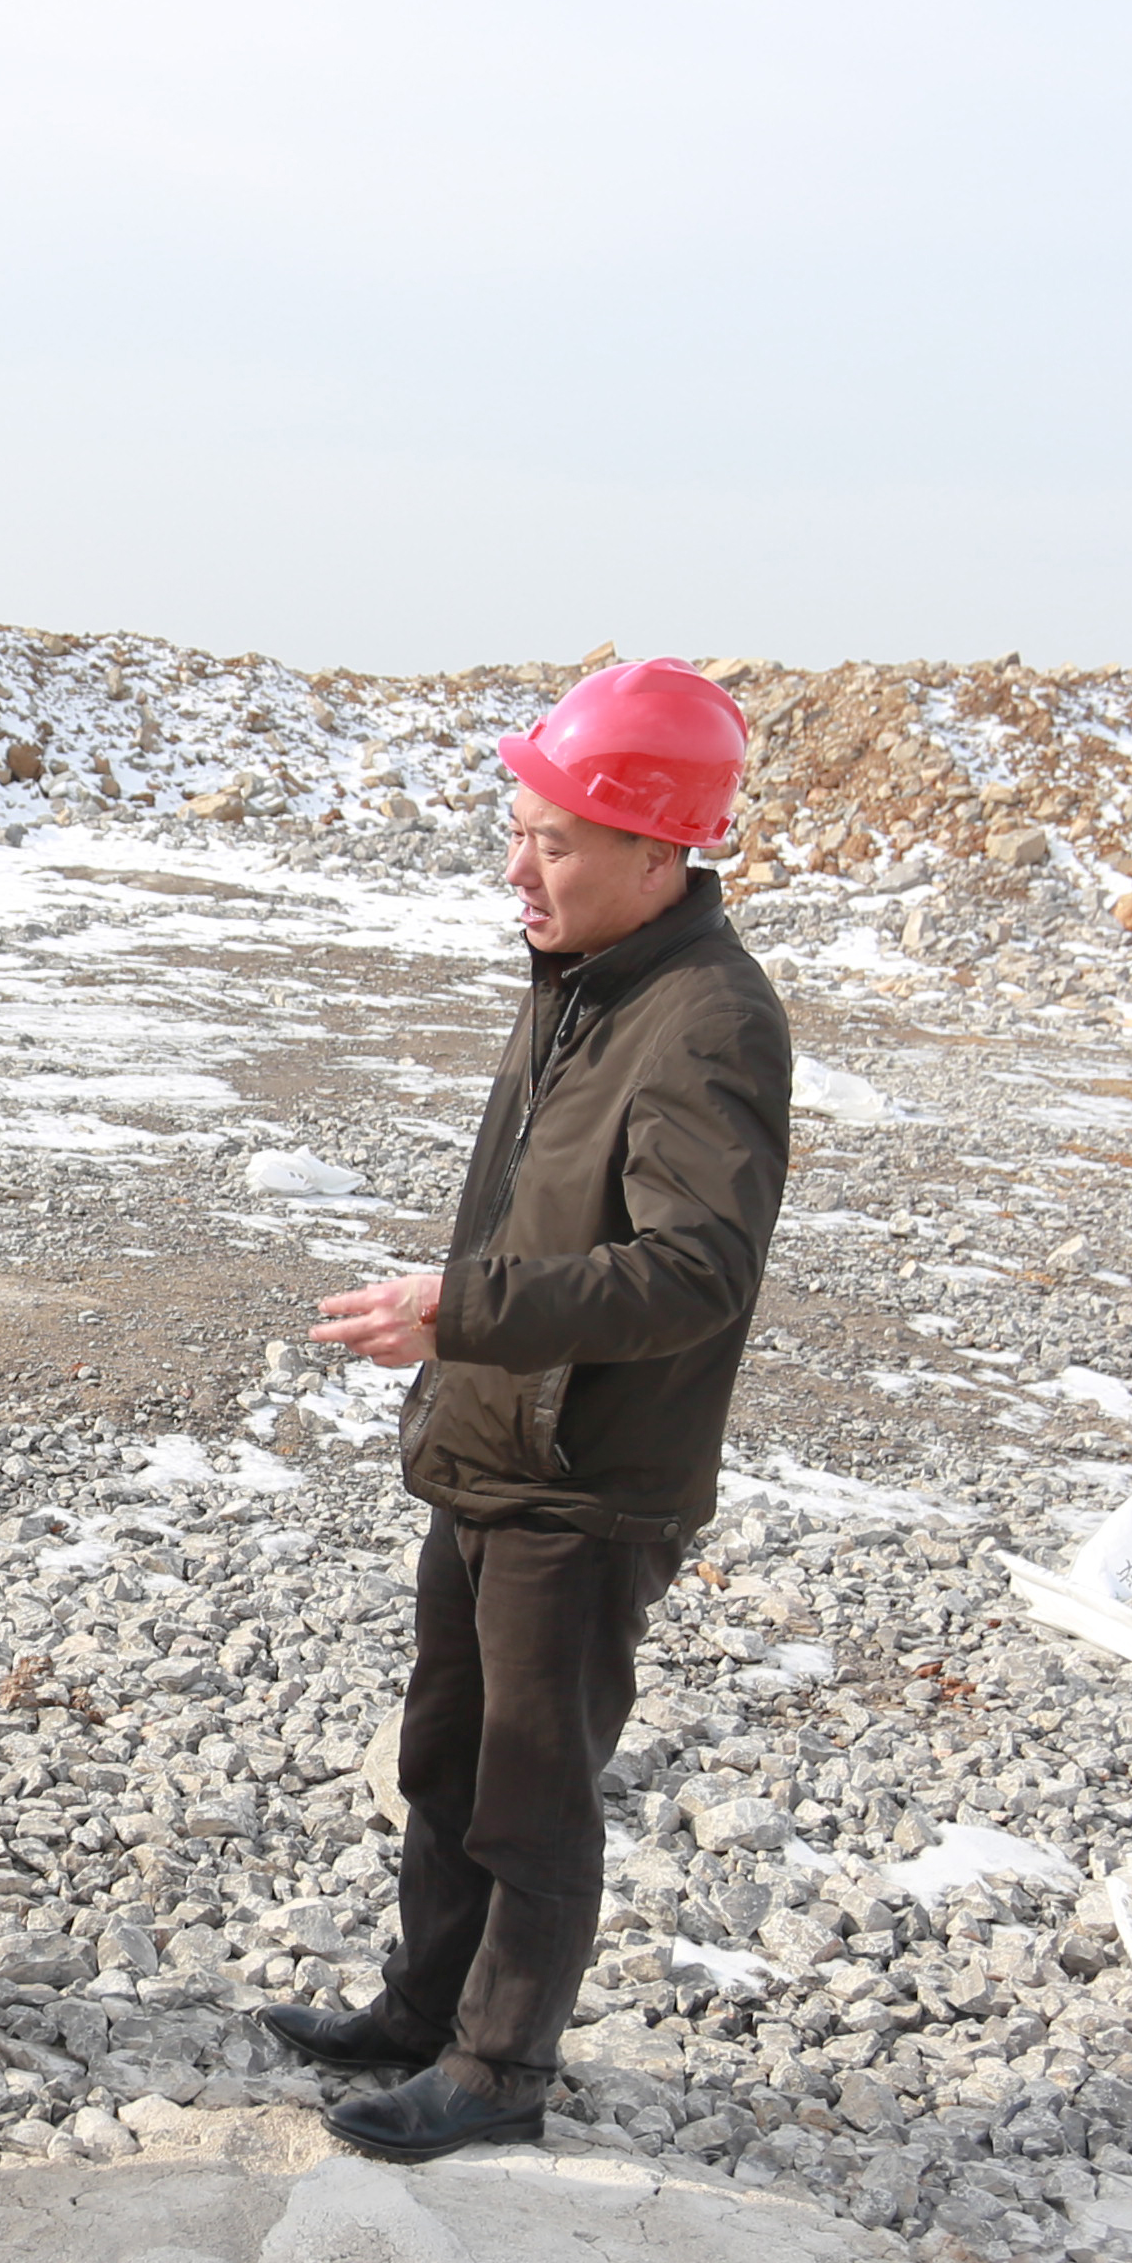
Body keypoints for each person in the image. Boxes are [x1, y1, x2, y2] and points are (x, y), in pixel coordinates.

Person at [282, 656, 793, 2162]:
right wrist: (464, 1350)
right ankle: (422, 2011)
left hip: (588, 1478)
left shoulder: (706, 1019)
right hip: (498, 1446)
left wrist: (461, 1311)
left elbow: (697, 1272)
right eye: (518, 832)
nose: (519, 868)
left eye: (554, 842)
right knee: (446, 1761)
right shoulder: (585, 981)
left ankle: (501, 2070)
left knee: (531, 1787)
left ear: (658, 852)